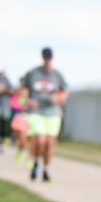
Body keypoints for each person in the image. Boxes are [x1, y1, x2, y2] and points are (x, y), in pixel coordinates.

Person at [21, 48, 68, 182]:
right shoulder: (33, 73)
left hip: (52, 112)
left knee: (49, 143)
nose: (47, 60)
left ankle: (46, 169)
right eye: (45, 57)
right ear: (42, 58)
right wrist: (28, 100)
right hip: (36, 112)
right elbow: (23, 91)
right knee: (40, 140)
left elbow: (64, 92)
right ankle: (35, 161)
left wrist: (58, 98)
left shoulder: (57, 75)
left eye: (49, 58)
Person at [9, 86, 30, 164]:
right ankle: (21, 151)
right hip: (19, 118)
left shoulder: (30, 98)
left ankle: (29, 157)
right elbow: (13, 105)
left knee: (28, 140)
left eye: (26, 91)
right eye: (23, 90)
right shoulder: (16, 97)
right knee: (22, 138)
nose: (24, 92)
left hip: (29, 119)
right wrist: (23, 106)